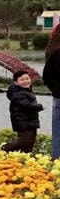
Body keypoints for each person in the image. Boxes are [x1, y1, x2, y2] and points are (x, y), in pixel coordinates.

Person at [1, 69, 44, 153]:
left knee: (29, 143)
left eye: (27, 79)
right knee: (24, 140)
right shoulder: (18, 93)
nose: (26, 81)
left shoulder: (26, 91)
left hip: (30, 121)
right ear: (16, 82)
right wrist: (40, 106)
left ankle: (26, 160)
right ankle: (5, 148)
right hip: (22, 122)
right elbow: (27, 106)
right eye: (22, 80)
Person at [43, 23, 60, 160]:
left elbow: (47, 76)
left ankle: (57, 163)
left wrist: (55, 91)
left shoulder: (52, 51)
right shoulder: (56, 53)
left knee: (57, 133)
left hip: (58, 97)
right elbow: (48, 75)